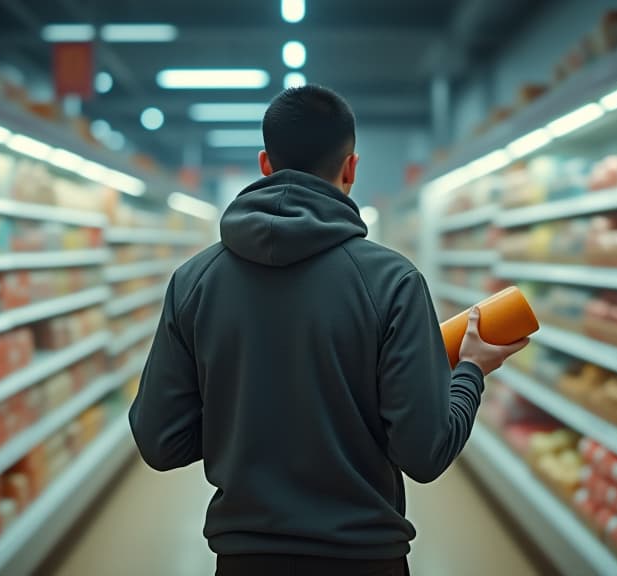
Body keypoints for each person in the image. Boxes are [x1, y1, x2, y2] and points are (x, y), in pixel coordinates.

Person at [129, 85, 529, 576]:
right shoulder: (394, 282)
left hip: (243, 560)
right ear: (351, 169)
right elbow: (424, 453)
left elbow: (159, 440)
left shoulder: (194, 282)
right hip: (366, 558)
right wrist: (470, 370)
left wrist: (240, 421)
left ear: (265, 164)